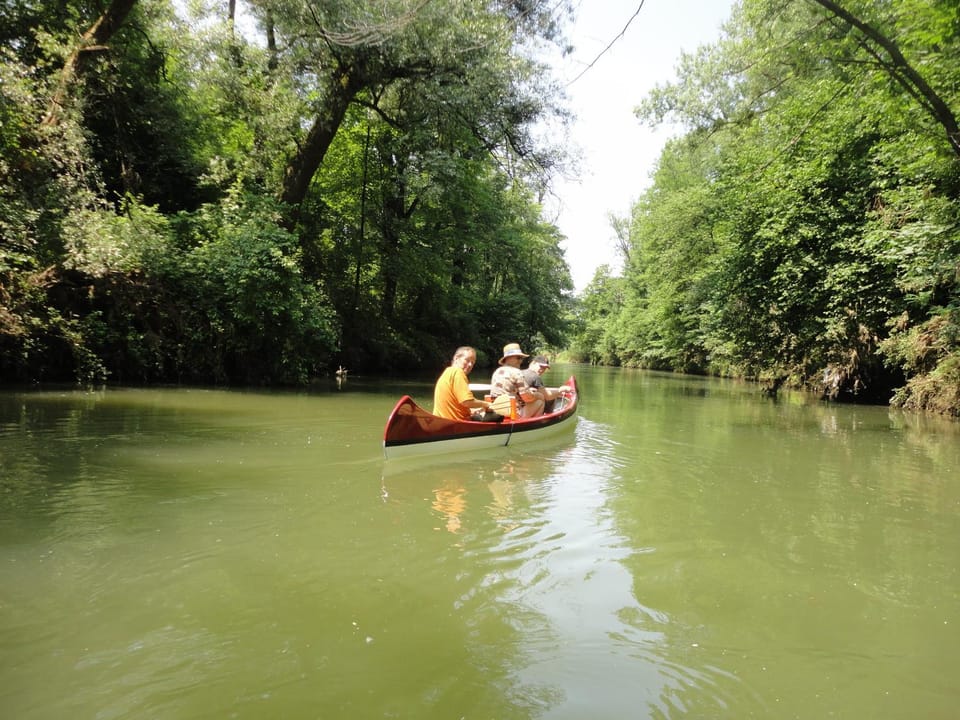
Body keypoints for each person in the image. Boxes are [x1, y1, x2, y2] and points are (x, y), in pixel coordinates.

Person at [433, 346, 495, 421]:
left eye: (472, 362)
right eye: (467, 360)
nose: (470, 365)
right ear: (456, 358)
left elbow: (458, 403)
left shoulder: (447, 371)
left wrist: (473, 410)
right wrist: (486, 404)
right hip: (456, 423)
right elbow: (466, 402)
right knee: (498, 416)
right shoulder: (458, 372)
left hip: (440, 420)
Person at [489, 343, 544, 418]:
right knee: (540, 401)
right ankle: (535, 426)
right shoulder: (516, 372)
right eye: (518, 358)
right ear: (508, 358)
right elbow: (527, 397)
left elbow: (507, 389)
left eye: (521, 358)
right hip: (513, 413)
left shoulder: (497, 371)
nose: (521, 361)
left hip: (497, 411)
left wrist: (528, 390)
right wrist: (537, 395)